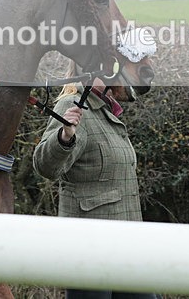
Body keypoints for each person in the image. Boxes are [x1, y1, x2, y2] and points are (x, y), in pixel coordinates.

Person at [32, 69, 160, 299]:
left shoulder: (105, 111)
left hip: (127, 246)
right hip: (89, 247)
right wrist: (64, 137)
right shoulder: (71, 106)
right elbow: (45, 166)